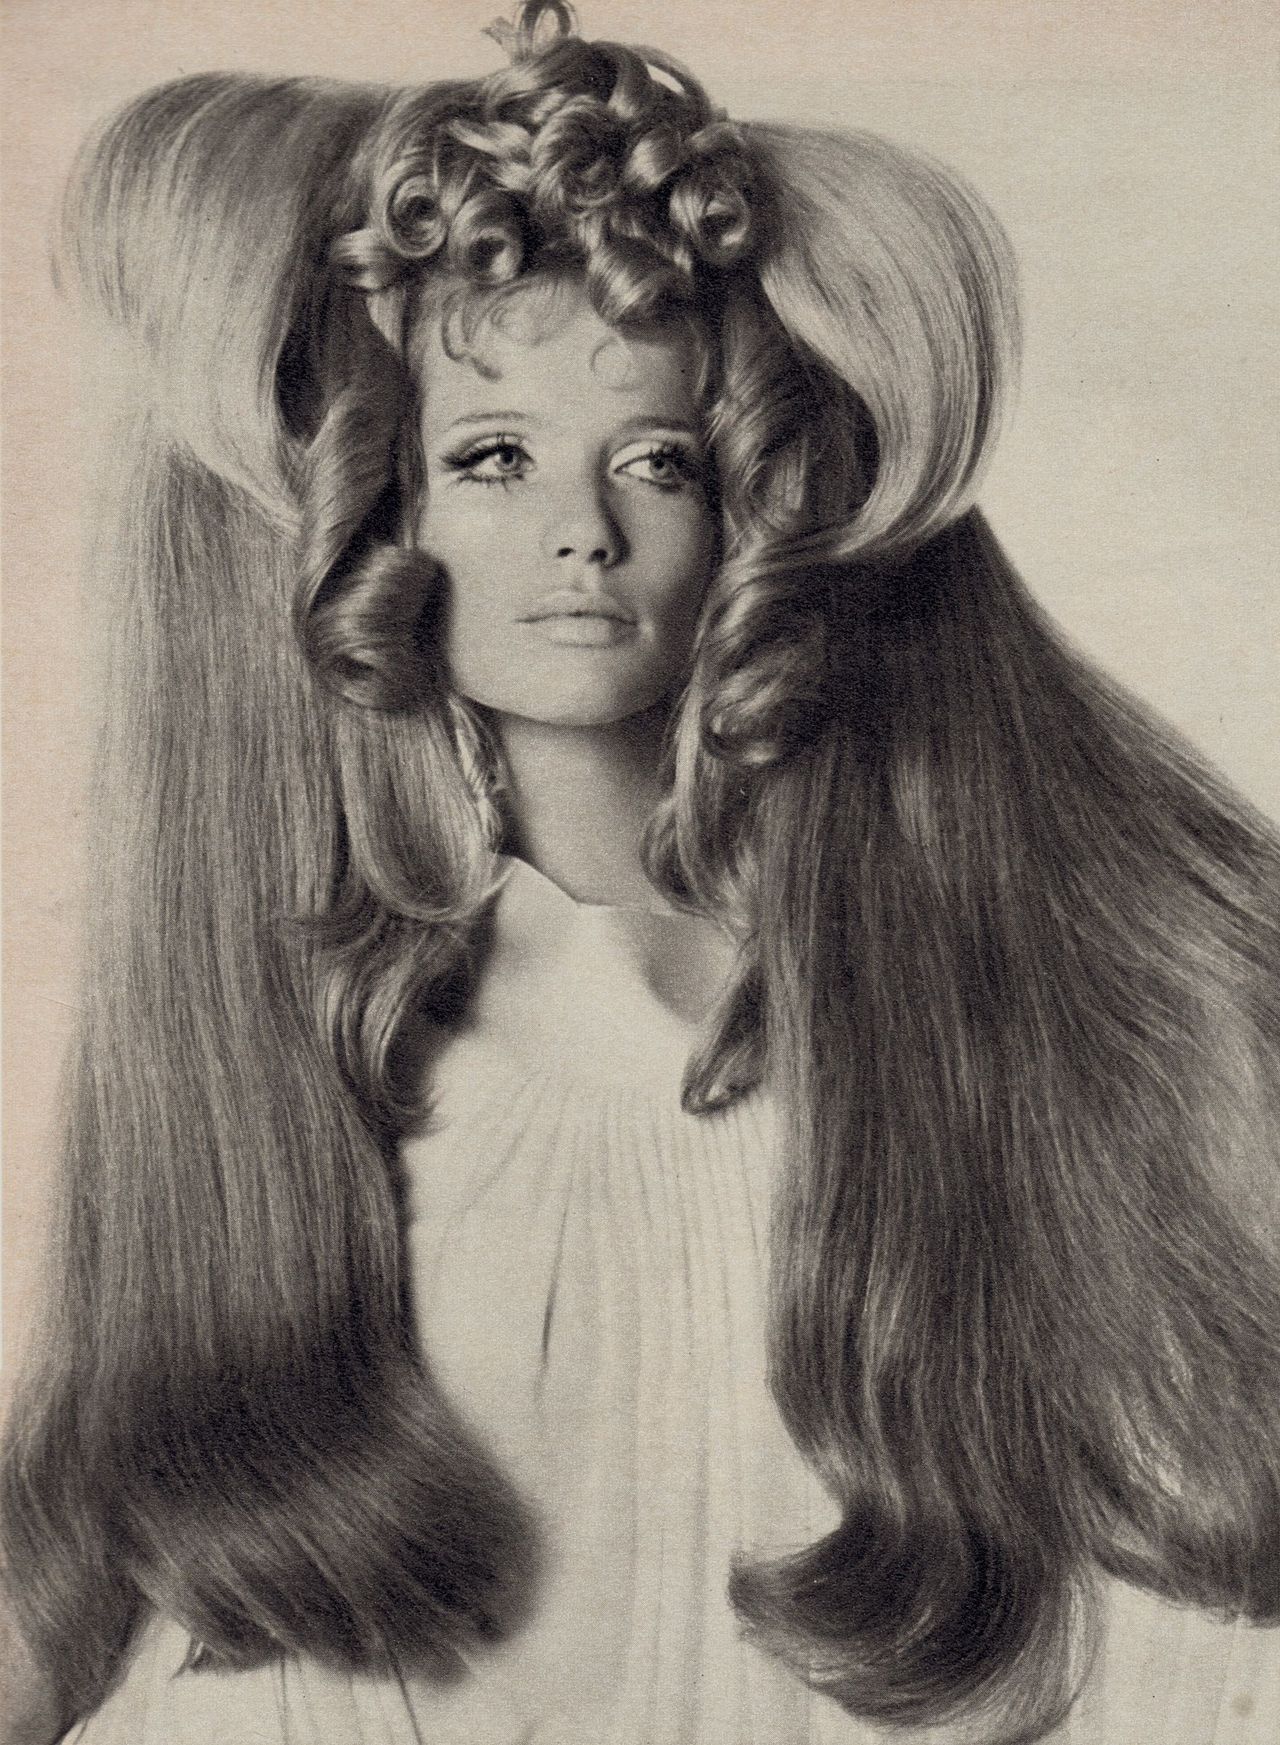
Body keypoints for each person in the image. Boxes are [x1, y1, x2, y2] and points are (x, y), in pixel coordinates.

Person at [3, 3, 1278, 1740]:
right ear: (378, 510)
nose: (582, 532)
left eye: (658, 461)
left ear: (747, 513)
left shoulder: (914, 1029)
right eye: (494, 455)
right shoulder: (329, 1063)